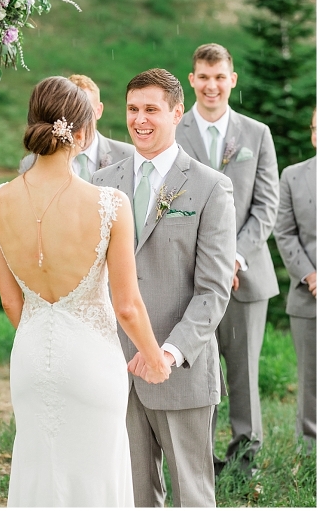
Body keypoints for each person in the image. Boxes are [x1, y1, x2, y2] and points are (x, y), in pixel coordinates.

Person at [0, 76, 170, 507]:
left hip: (30, 360)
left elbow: (11, 301)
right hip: (92, 363)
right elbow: (127, 306)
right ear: (83, 134)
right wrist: (155, 358)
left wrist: (43, 332)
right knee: (95, 480)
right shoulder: (110, 204)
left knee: (39, 474)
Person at [93, 68, 236, 506]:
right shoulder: (101, 184)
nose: (140, 120)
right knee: (133, 497)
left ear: (177, 113)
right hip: (116, 369)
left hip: (180, 369)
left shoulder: (211, 187)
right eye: (133, 109)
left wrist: (168, 354)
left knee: (193, 496)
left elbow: (213, 291)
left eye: (151, 110)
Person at [175, 43, 280, 473]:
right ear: (192, 80)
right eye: (203, 77)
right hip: (189, 278)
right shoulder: (173, 131)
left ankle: (245, 459)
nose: (212, 85)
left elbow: (266, 206)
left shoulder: (257, 134)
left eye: (219, 77)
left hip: (245, 275)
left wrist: (234, 257)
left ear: (232, 80)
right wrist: (207, 263)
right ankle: (200, 459)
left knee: (244, 372)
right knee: (197, 372)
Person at [274, 109, 316, 451]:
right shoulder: (292, 176)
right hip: (308, 296)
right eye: (317, 128)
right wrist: (311, 275)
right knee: (311, 379)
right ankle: (310, 451)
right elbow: (285, 233)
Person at [18, 73, 133, 175]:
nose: (78, 119)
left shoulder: (129, 156)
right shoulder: (31, 163)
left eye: (85, 111)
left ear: (99, 110)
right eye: (72, 112)